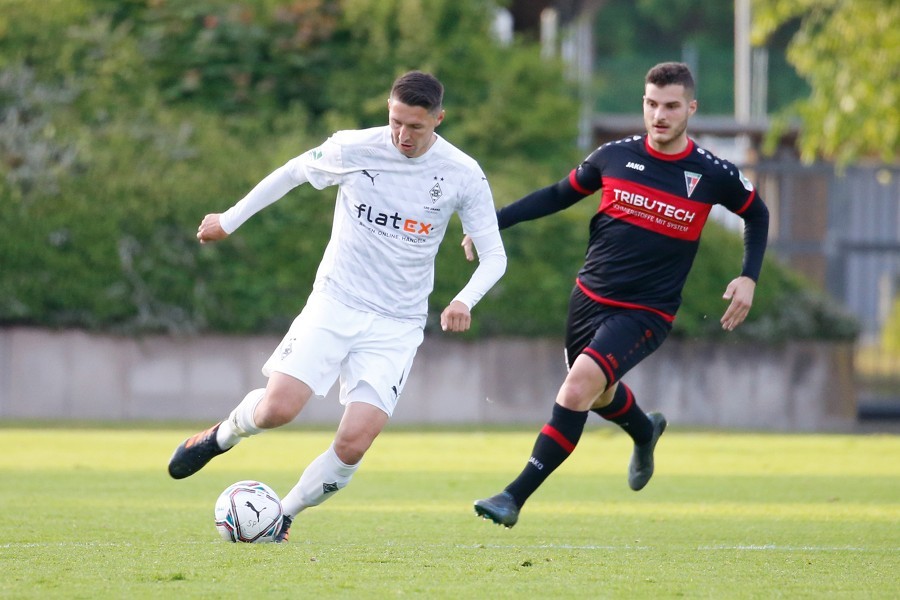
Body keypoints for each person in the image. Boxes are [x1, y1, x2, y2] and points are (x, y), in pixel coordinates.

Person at [167, 71, 507, 542]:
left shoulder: (462, 173)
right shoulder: (354, 148)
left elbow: (495, 256)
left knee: (354, 443)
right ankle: (221, 435)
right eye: (396, 122)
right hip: (336, 301)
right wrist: (228, 220)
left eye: (416, 127)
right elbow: (289, 173)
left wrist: (463, 299)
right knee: (277, 411)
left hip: (398, 324)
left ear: (439, 120)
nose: (402, 136)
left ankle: (280, 517)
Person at [470, 62, 769, 528]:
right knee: (597, 391)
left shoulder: (712, 173)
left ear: (691, 108)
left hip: (646, 312)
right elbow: (556, 195)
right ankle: (643, 429)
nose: (660, 115)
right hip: (588, 298)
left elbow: (758, 214)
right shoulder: (613, 156)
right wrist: (492, 223)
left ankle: (513, 497)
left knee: (575, 389)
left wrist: (748, 275)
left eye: (671, 106)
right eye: (652, 104)